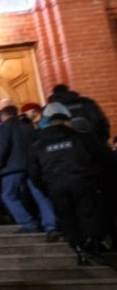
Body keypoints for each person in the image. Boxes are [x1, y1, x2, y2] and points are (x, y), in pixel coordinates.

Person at [28, 102, 110, 264]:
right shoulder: (81, 138)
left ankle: (78, 248)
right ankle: (92, 244)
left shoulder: (38, 145)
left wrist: (46, 187)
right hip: (82, 182)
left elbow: (33, 172)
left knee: (67, 217)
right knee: (88, 213)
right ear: (66, 121)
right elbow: (101, 159)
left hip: (55, 186)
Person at [0, 104, 58, 238]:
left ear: (3, 115)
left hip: (12, 168)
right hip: (31, 167)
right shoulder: (29, 127)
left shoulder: (2, 128)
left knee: (9, 195)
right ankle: (51, 225)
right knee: (40, 195)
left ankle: (28, 223)